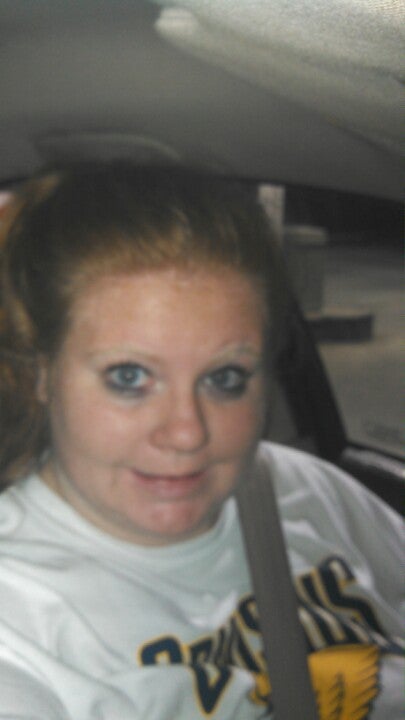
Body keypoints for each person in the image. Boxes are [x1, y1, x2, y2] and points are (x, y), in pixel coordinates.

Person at [0, 162, 402, 720]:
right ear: (42, 373)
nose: (188, 433)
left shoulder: (305, 488)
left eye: (225, 378)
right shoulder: (19, 610)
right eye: (129, 377)